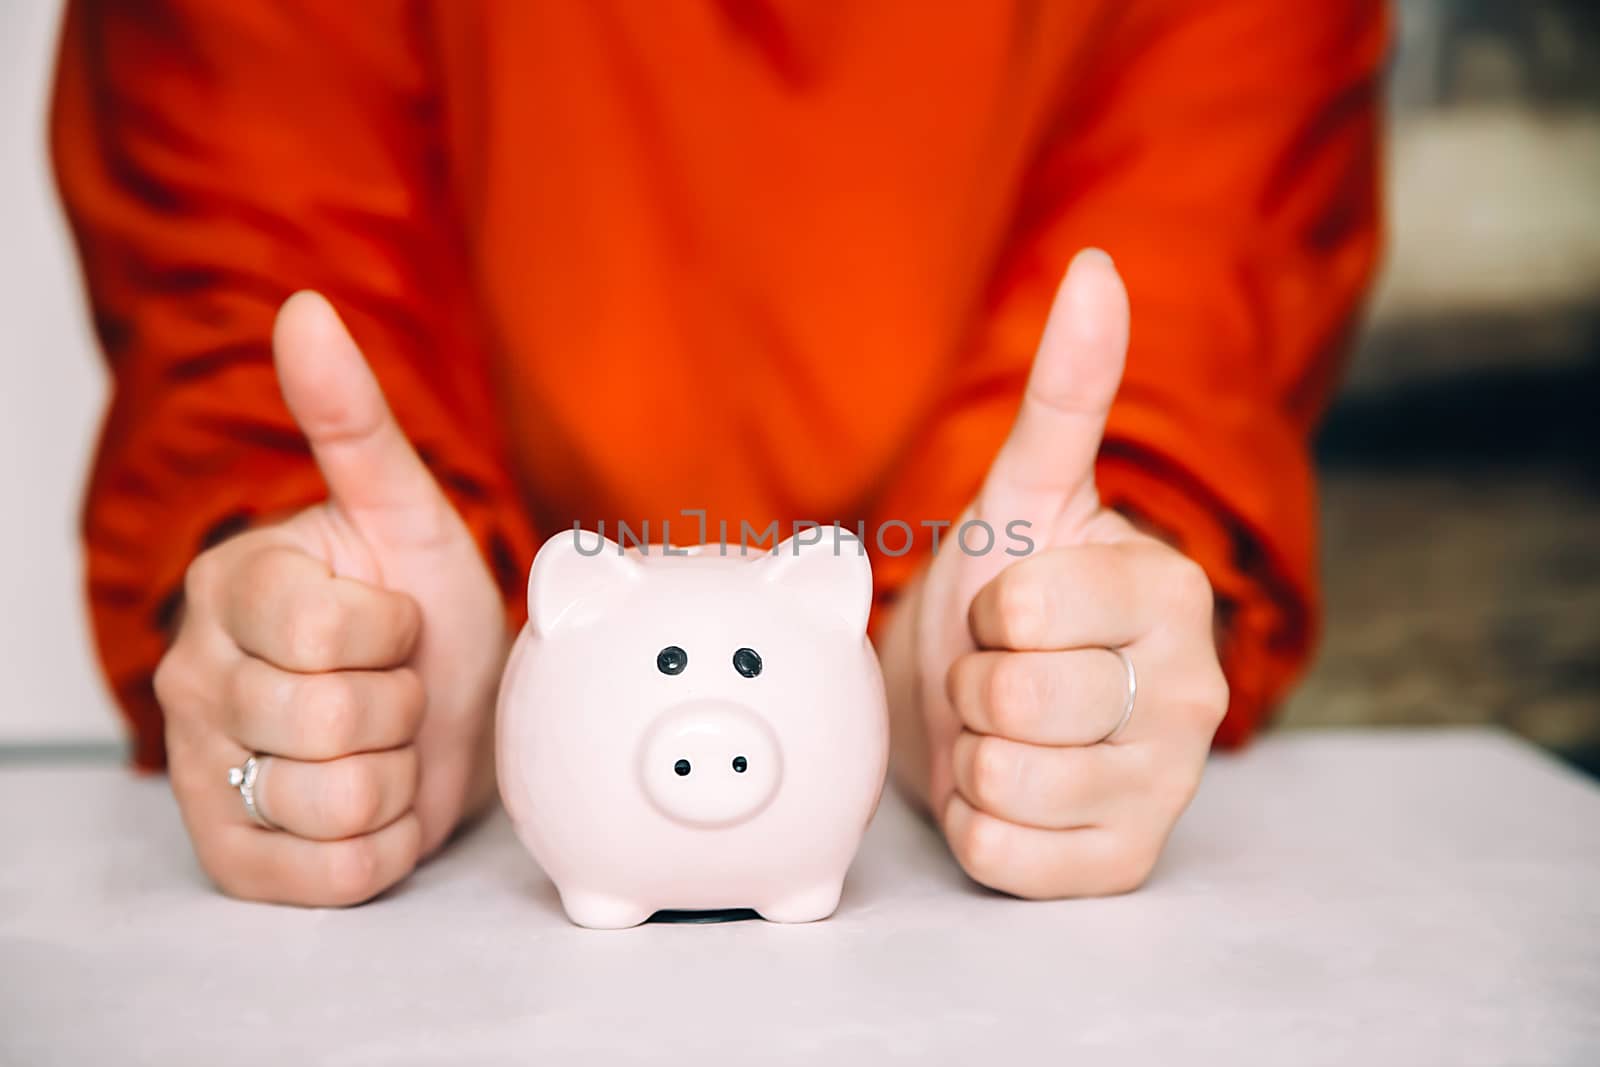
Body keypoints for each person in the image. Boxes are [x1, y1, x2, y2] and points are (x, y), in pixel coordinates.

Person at [51, 1, 1387, 906]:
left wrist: (1013, 629)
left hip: (919, 636)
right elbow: (246, 251)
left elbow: (1199, 288)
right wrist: (334, 638)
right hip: (486, 678)